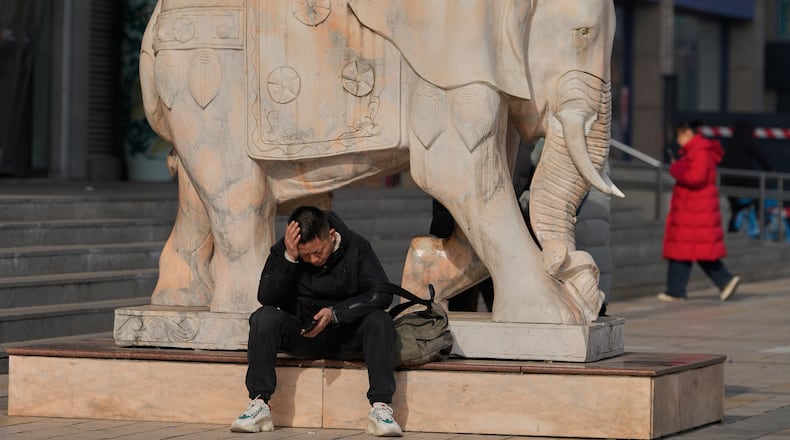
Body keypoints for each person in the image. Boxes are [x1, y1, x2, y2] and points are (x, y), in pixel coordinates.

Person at [231, 206, 402, 436]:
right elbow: (267, 298)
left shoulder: (357, 247)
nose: (313, 260)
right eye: (306, 255)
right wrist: (289, 259)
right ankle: (260, 404)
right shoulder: (287, 250)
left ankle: (381, 408)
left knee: (379, 320)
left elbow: (381, 293)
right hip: (303, 334)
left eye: (319, 251)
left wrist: (336, 313)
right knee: (263, 318)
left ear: (331, 235)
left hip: (345, 334)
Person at [659, 121, 740, 302]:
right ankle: (676, 289)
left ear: (687, 133)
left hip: (695, 211)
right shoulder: (696, 151)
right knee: (686, 250)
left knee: (689, 250)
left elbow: (695, 177)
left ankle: (722, 280)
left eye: (679, 136)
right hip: (692, 210)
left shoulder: (700, 151)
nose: (678, 141)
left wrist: (677, 168)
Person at [719, 119, 772, 234]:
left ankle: (732, 227)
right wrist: (770, 170)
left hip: (726, 181)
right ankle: (760, 215)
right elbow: (760, 156)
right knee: (762, 188)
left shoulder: (730, 142)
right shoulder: (746, 140)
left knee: (735, 207)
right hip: (742, 179)